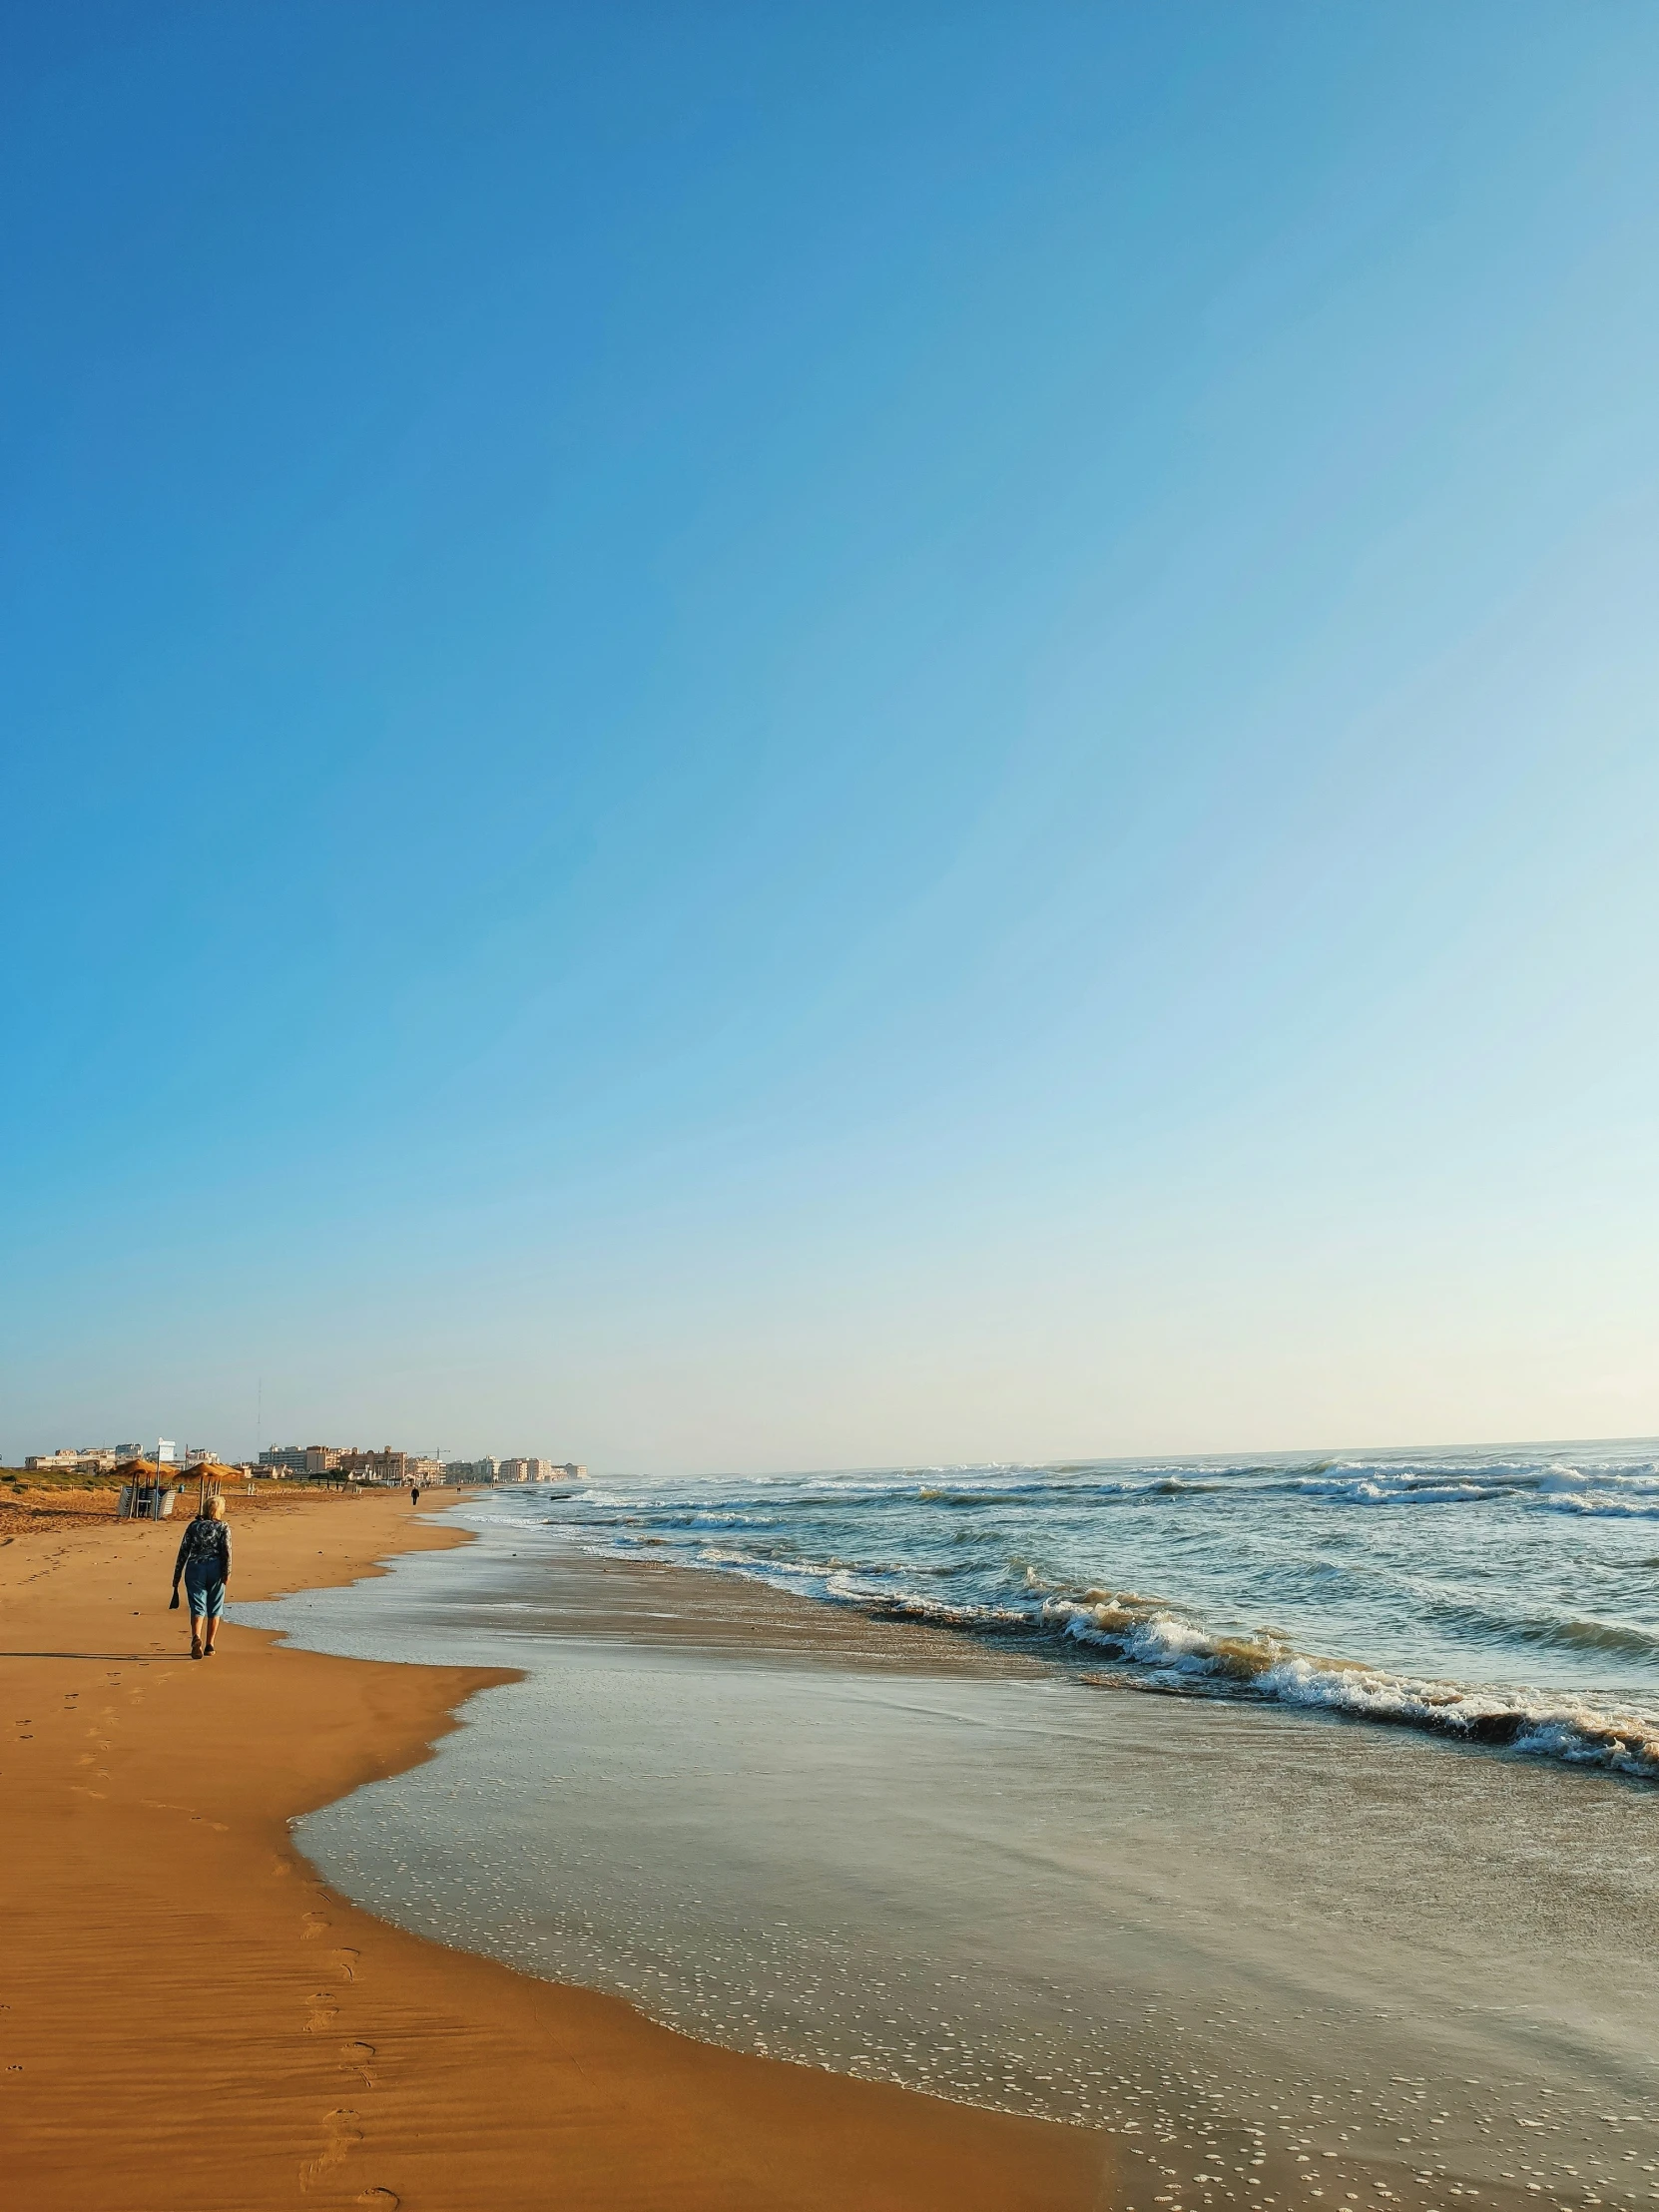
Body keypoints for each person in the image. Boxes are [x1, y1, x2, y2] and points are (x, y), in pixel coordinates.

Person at [172, 1494, 232, 1659]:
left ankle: (196, 1636)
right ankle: (209, 1645)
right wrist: (227, 1572)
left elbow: (183, 1551)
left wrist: (176, 1577)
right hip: (215, 1568)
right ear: (219, 1510)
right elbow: (226, 1551)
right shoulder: (223, 1527)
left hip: (194, 1568)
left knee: (197, 1606)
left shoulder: (193, 1526)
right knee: (215, 1607)